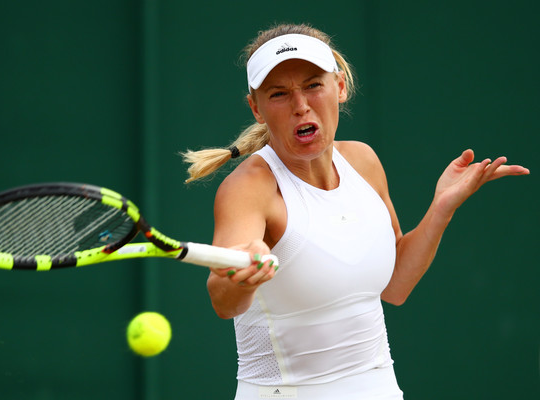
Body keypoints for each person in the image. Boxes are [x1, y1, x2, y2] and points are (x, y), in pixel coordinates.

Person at [183, 23, 529, 399]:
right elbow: (222, 298)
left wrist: (441, 208)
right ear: (257, 108)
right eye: (279, 94)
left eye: (314, 85)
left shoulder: (363, 161)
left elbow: (395, 286)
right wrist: (240, 275)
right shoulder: (249, 187)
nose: (301, 105)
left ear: (340, 86)